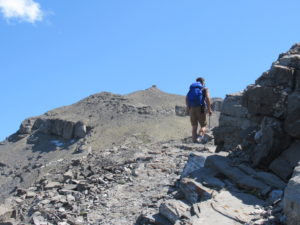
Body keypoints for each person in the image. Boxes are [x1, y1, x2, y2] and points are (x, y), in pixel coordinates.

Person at [186, 77, 212, 143]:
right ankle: (199, 138)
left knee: (194, 127)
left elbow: (186, 98)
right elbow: (208, 98)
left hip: (192, 108)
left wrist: (189, 108)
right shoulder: (204, 89)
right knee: (203, 125)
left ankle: (194, 141)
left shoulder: (191, 89)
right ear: (202, 82)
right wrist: (209, 109)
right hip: (201, 108)